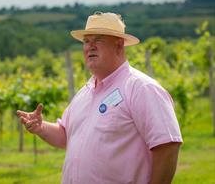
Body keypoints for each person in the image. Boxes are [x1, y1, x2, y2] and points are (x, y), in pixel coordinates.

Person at [16, 12, 183, 184]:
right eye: (87, 41)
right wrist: (41, 127)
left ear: (119, 45)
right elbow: (66, 136)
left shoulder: (141, 88)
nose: (90, 47)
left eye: (98, 40)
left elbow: (167, 145)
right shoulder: (85, 92)